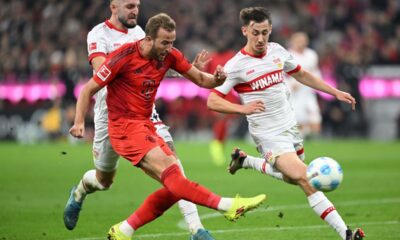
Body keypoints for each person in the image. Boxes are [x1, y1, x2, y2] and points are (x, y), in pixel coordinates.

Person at [69, 13, 266, 240]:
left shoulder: (169, 55)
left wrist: (218, 79)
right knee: (157, 177)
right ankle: (226, 205)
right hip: (124, 127)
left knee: (176, 184)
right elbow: (87, 90)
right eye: (165, 42)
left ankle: (124, 231)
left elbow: (202, 80)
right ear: (149, 39)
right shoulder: (122, 57)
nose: (169, 48)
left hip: (146, 124)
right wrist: (79, 122)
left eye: (172, 42)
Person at [207, 7, 364, 240]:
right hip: (268, 135)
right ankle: (347, 234)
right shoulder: (236, 65)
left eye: (264, 32)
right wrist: (242, 109)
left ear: (270, 30)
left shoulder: (277, 51)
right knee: (307, 178)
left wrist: (334, 92)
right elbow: (212, 100)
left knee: (293, 177)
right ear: (244, 31)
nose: (260, 38)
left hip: (291, 127)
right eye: (255, 33)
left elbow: (301, 74)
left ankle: (246, 161)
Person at [63, 1, 216, 239]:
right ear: (114, 6)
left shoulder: (141, 33)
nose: (135, 10)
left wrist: (183, 69)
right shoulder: (98, 34)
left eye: (137, 5)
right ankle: (80, 191)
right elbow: (103, 68)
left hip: (144, 112)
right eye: (130, 5)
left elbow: (155, 63)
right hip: (110, 114)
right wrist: (80, 121)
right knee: (104, 180)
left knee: (173, 168)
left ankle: (197, 229)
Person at [286, 32, 322, 138]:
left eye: (303, 41)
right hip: (294, 93)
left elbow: (316, 71)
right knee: (298, 120)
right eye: (298, 41)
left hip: (308, 91)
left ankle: (313, 140)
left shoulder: (312, 55)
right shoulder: (288, 55)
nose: (300, 43)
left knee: (315, 118)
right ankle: (301, 140)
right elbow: (282, 76)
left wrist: (317, 84)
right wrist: (290, 85)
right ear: (292, 42)